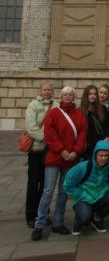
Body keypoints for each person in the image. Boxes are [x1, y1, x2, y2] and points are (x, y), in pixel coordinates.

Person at [31, 86, 87, 241]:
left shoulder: (79, 115)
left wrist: (75, 151)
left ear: (74, 97)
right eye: (65, 94)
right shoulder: (53, 113)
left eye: (70, 94)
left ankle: (58, 222)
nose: (68, 97)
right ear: (61, 97)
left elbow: (82, 134)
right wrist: (62, 150)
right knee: (48, 191)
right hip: (55, 157)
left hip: (71, 159)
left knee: (63, 191)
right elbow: (49, 134)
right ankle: (39, 224)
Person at [63, 140, 109, 235]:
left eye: (106, 156)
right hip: (83, 198)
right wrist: (83, 195)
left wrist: (103, 191)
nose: (103, 158)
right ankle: (78, 221)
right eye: (100, 155)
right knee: (85, 216)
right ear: (95, 155)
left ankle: (96, 218)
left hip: (98, 197)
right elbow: (67, 185)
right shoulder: (81, 168)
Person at [24, 81, 58, 228]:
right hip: (36, 150)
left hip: (50, 151)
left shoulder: (56, 105)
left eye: (49, 90)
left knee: (46, 184)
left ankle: (43, 214)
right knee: (33, 183)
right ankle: (31, 215)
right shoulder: (33, 105)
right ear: (40, 91)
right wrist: (47, 139)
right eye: (44, 89)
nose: (47, 92)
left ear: (52, 91)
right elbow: (31, 127)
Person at [80, 85, 106, 160]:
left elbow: (104, 125)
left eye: (94, 94)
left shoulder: (101, 109)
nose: (92, 96)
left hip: (99, 144)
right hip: (87, 145)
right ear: (86, 95)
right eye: (90, 94)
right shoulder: (80, 111)